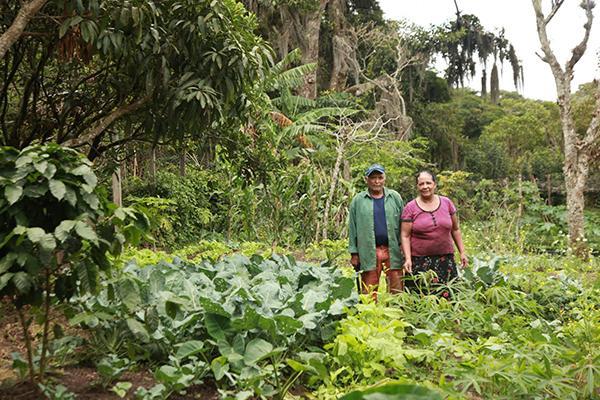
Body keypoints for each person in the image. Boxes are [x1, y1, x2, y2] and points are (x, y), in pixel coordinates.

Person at [400, 170, 467, 297]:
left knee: (447, 298)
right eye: (421, 184)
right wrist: (408, 258)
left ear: (434, 184)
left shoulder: (447, 203)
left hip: (445, 260)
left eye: (428, 183)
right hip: (419, 262)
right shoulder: (410, 207)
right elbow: (405, 235)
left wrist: (462, 252)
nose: (425, 187)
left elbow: (455, 229)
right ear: (417, 186)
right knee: (420, 298)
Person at [348, 164, 404, 299]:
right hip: (368, 251)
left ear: (384, 179)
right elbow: (352, 227)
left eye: (380, 177)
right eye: (373, 178)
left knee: (397, 288)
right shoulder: (358, 200)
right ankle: (369, 317)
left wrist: (404, 247)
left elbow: (404, 223)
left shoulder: (394, 197)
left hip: (393, 250)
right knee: (368, 291)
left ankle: (397, 314)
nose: (377, 181)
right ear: (366, 179)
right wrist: (354, 253)